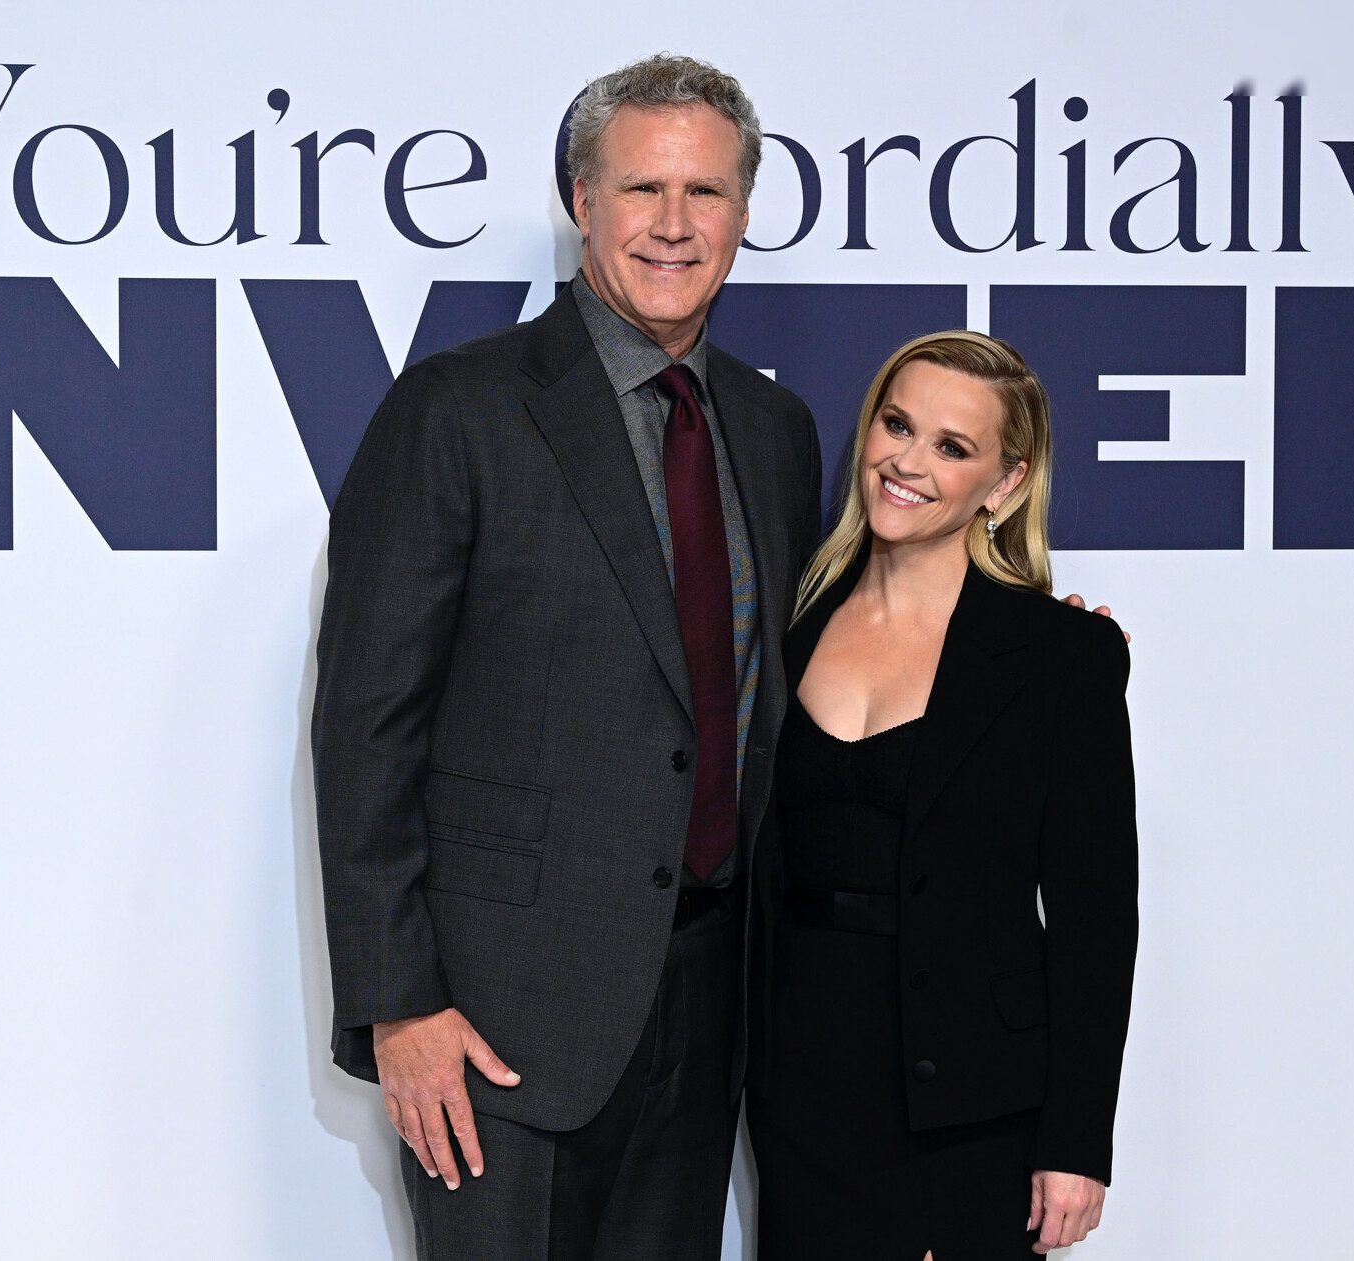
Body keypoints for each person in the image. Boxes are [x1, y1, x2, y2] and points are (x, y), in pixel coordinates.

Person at [311, 54, 820, 1259]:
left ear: (744, 211)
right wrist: (398, 1003)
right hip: (497, 1026)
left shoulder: (775, 428)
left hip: (712, 1008)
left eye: (706, 192)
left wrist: (1032, 635)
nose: (674, 224)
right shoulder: (458, 409)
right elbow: (366, 724)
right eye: (643, 188)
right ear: (582, 200)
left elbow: (813, 669)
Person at [746, 331, 1140, 1259]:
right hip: (802, 1094)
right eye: (897, 425)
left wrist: (1076, 1141)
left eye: (952, 446)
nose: (908, 463)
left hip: (974, 1104)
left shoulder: (1062, 656)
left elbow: (1094, 919)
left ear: (1005, 483)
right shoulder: (788, 618)